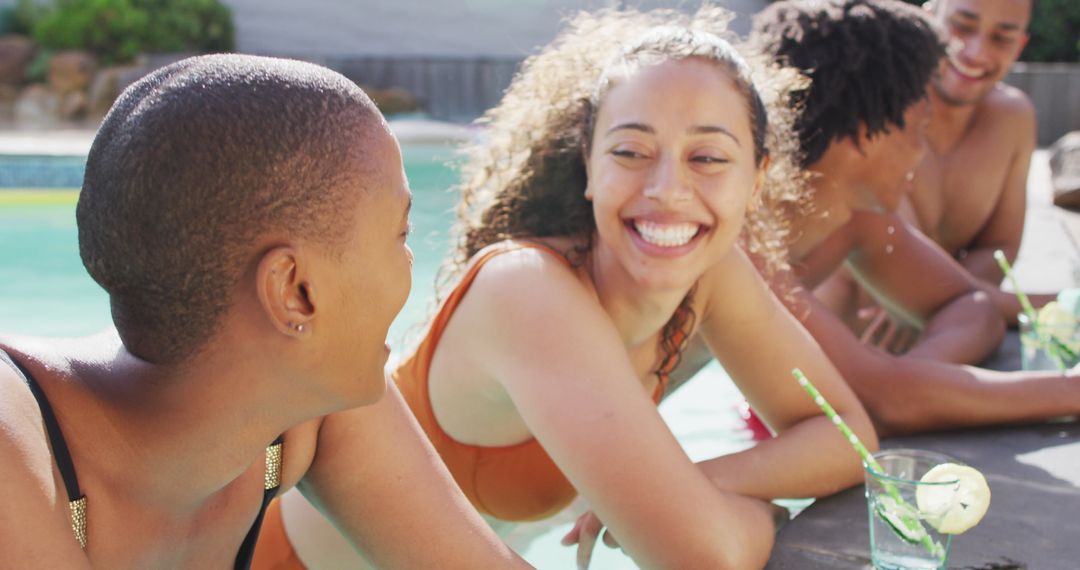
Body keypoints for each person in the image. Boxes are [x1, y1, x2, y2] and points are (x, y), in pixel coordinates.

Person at [261, 7, 877, 570]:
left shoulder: (708, 271)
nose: (668, 189)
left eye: (708, 158)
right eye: (631, 151)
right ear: (589, 162)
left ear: (757, 175)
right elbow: (702, 557)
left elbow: (848, 437)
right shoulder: (526, 291)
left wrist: (701, 484)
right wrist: (764, 513)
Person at [0, 54, 528, 569]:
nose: (410, 260)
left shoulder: (303, 400)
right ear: (295, 292)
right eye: (401, 233)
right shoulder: (13, 446)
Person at [705, 0, 1080, 436]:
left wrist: (915, 378)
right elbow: (882, 403)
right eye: (920, 128)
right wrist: (1068, 390)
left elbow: (974, 308)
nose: (922, 152)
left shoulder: (853, 219)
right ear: (867, 132)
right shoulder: (741, 236)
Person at [814, 0, 1049, 345]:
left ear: (1020, 45)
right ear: (927, 20)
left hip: (941, 345)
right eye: (962, 26)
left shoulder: (1014, 118)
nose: (975, 52)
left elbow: (1001, 246)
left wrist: (946, 303)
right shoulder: (878, 107)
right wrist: (953, 302)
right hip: (827, 350)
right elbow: (889, 257)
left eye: (1001, 37)